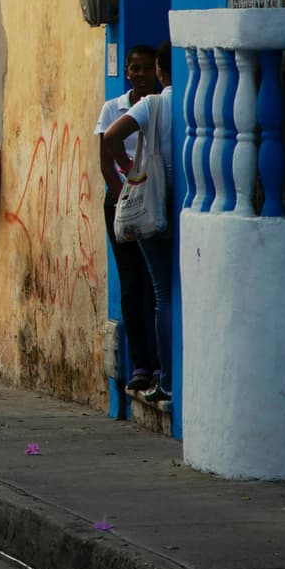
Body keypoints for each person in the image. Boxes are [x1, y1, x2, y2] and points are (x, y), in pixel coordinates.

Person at [103, 44, 175, 405]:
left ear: (160, 71)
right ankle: (148, 366)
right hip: (155, 203)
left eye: (148, 68)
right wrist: (125, 186)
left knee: (161, 291)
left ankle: (164, 374)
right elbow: (107, 148)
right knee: (139, 286)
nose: (141, 73)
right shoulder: (184, 101)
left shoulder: (154, 105)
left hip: (148, 204)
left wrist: (133, 179)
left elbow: (112, 141)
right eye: (134, 68)